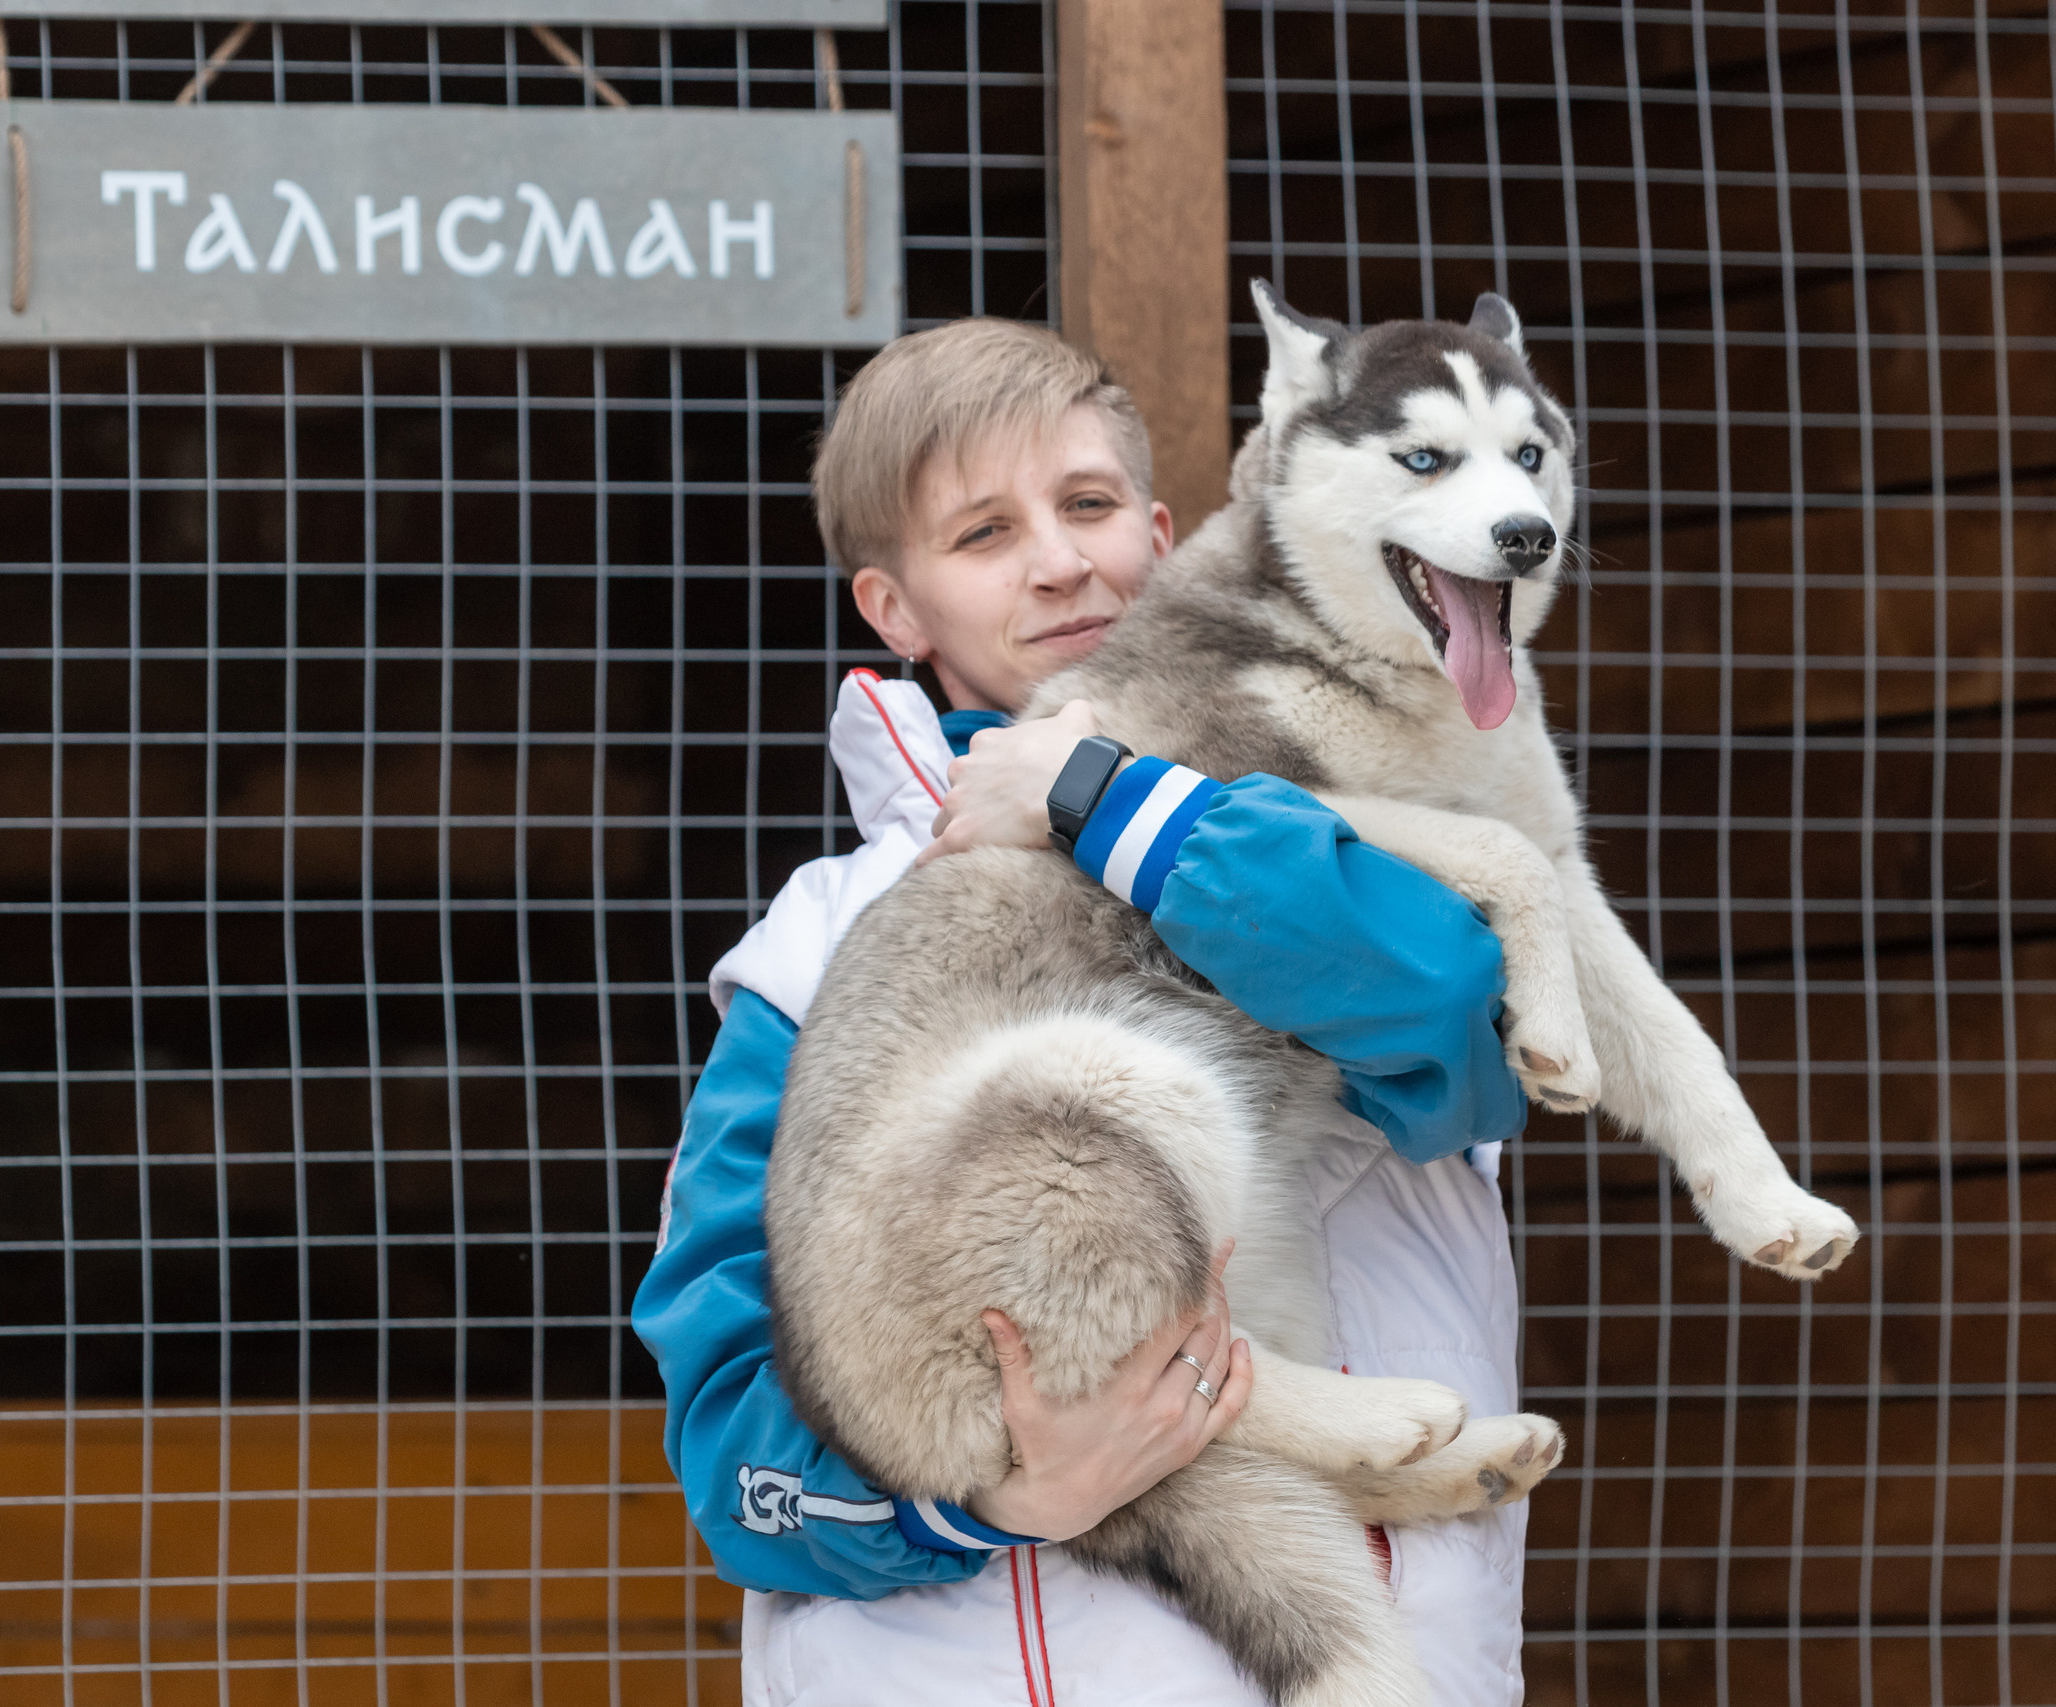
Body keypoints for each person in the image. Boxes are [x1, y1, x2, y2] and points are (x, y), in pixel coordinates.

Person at [633, 319, 1536, 1705]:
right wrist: (996, 1496)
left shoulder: (1368, 839)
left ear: (1166, 537)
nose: (1059, 560)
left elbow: (1453, 1032)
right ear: (897, 608)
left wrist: (1107, 802)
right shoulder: (816, 948)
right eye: (984, 534)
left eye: (1092, 506)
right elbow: (733, 1426)